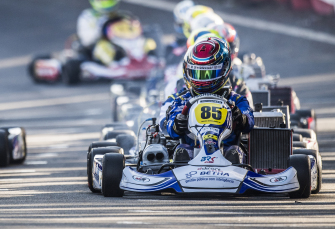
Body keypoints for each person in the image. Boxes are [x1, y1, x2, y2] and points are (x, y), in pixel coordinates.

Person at [163, 38, 254, 164]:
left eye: (207, 74)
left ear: (224, 69)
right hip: (191, 155)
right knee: (181, 150)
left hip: (227, 153)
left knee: (235, 152)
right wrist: (177, 124)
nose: (202, 80)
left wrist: (241, 118)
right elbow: (170, 127)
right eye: (197, 73)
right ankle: (182, 165)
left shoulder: (236, 100)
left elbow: (249, 122)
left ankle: (233, 165)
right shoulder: (182, 100)